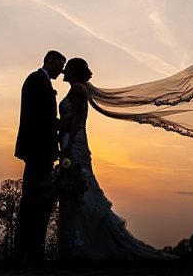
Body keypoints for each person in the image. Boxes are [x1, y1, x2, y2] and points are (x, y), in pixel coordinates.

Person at [57, 57, 173, 260]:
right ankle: (77, 243)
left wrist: (67, 146)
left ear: (73, 72)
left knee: (81, 189)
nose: (63, 71)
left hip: (74, 143)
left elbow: (75, 120)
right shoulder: (78, 89)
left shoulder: (77, 89)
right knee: (75, 190)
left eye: (67, 68)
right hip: (72, 141)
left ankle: (83, 243)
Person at [13, 49, 65, 262]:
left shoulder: (41, 82)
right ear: (50, 62)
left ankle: (31, 249)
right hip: (37, 149)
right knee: (34, 199)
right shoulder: (35, 80)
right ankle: (27, 250)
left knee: (38, 198)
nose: (61, 71)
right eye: (59, 65)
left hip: (41, 149)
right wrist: (62, 125)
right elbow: (38, 116)